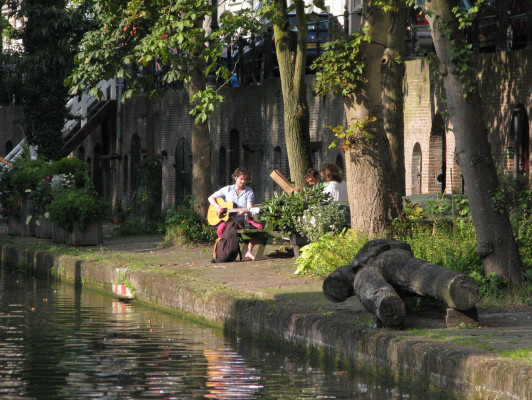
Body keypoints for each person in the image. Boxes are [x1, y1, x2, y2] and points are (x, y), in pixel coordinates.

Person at [208, 167, 262, 261]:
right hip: (229, 219)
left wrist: (246, 210)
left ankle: (248, 251)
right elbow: (210, 198)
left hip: (242, 218)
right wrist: (217, 207)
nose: (243, 181)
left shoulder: (249, 191)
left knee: (259, 227)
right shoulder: (227, 189)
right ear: (236, 178)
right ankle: (223, 250)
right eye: (241, 179)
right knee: (221, 228)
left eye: (245, 179)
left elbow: (249, 206)